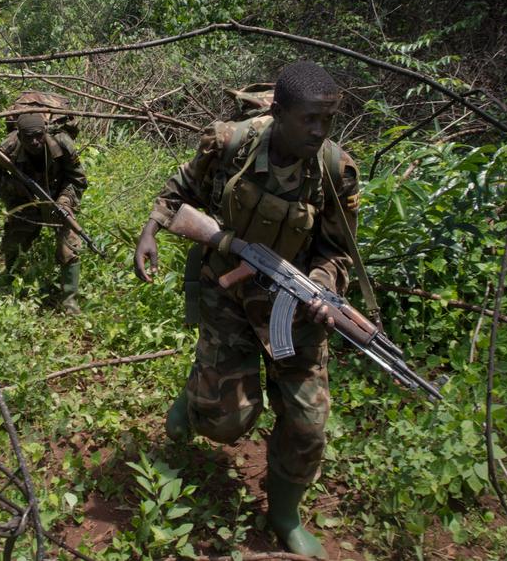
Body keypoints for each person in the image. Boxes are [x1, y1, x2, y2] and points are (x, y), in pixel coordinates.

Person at [133, 59, 360, 558]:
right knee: (226, 422)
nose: (319, 131)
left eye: (328, 120)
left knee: (307, 424)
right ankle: (197, 394)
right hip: (229, 293)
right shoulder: (230, 143)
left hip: (294, 309)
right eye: (309, 119)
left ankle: (285, 515)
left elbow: (338, 251)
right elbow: (180, 189)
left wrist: (323, 286)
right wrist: (150, 231)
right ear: (278, 113)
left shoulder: (334, 172)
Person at [0, 111, 88, 313]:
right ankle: (10, 286)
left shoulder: (62, 143)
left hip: (57, 198)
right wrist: (19, 189)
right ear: (20, 136)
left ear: (45, 131)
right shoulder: (10, 146)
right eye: (29, 137)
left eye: (39, 135)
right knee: (15, 241)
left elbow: (78, 179)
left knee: (70, 242)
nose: (35, 142)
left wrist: (65, 201)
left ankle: (69, 301)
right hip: (26, 201)